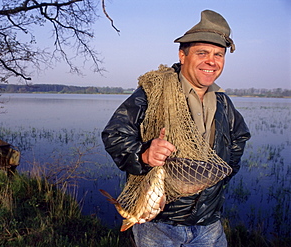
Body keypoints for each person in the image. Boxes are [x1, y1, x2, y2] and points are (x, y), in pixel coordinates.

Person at [102, 10, 251, 247]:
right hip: (159, 225)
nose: (211, 61)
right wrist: (143, 154)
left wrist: (223, 174)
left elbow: (240, 136)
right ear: (182, 55)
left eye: (218, 55)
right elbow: (115, 134)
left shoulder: (223, 101)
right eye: (202, 53)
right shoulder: (153, 92)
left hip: (208, 225)